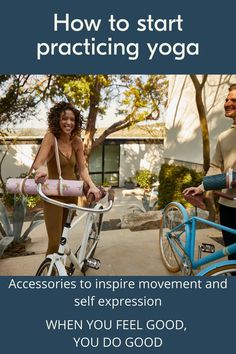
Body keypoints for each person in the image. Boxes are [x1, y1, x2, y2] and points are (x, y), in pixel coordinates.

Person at [33, 101, 101, 255]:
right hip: (52, 195)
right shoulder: (51, 138)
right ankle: (50, 277)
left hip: (71, 194)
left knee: (63, 241)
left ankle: (60, 268)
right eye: (64, 118)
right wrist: (42, 169)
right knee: (54, 243)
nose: (68, 122)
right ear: (57, 119)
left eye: (72, 119)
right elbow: (40, 162)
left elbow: (82, 168)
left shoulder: (77, 141)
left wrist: (91, 184)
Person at [183, 84, 236, 262]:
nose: (227, 103)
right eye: (227, 99)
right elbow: (215, 166)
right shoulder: (224, 137)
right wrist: (201, 187)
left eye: (233, 100)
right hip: (228, 206)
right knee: (232, 257)